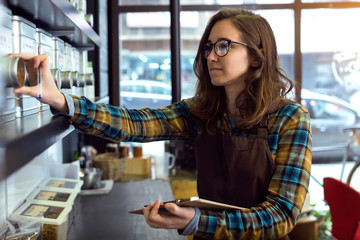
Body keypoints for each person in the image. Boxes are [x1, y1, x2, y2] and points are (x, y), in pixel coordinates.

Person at [12, 8, 311, 240]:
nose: (210, 56)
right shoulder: (202, 112)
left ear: (256, 58)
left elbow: (280, 216)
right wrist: (63, 101)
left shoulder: (290, 120)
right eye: (208, 47)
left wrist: (196, 221)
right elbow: (136, 123)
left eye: (223, 46)